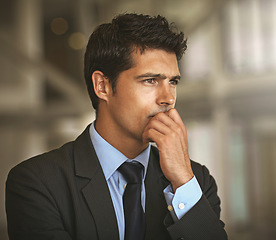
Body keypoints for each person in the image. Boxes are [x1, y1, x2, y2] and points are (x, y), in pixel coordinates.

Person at [6, 13, 227, 240]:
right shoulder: (37, 183)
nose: (168, 98)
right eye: (150, 80)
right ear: (102, 86)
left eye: (173, 82)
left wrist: (182, 179)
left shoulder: (195, 181)